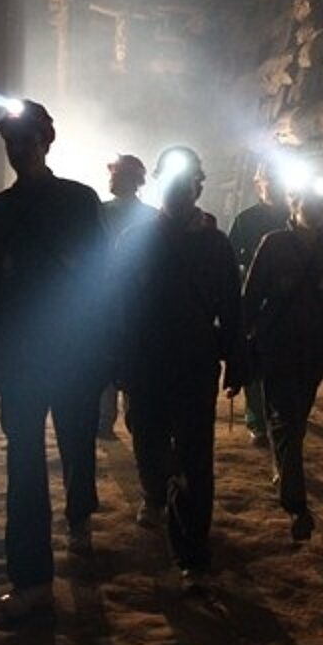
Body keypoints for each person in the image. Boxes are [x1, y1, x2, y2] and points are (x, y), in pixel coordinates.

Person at [0, 99, 109, 624]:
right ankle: (32, 581)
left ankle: (79, 516)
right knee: (25, 465)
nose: (19, 149)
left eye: (28, 140)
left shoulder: (79, 201)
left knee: (75, 444)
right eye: (12, 141)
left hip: (71, 353)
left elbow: (101, 279)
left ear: (46, 142)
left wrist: (103, 348)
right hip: (25, 359)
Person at [115, 146, 244, 589]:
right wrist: (118, 360)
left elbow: (231, 305)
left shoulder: (215, 245)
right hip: (147, 359)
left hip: (193, 360)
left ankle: (193, 557)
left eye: (184, 181)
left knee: (194, 457)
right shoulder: (135, 241)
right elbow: (119, 306)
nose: (176, 188)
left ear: (197, 187)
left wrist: (236, 359)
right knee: (146, 435)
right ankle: (156, 493)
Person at [241, 178, 323, 542]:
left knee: (295, 420)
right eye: (309, 202)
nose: (315, 208)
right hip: (278, 346)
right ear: (295, 204)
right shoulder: (273, 245)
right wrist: (241, 341)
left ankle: (281, 468)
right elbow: (251, 295)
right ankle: (296, 505)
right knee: (287, 418)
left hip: (313, 349)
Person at [226, 160, 290, 446]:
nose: (274, 186)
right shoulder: (246, 220)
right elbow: (230, 257)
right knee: (253, 360)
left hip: (287, 302)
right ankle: (258, 421)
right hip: (255, 298)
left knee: (284, 361)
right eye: (269, 180)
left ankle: (282, 413)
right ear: (258, 184)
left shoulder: (293, 218)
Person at [98, 153, 157, 439]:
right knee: (132, 358)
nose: (111, 179)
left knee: (108, 356)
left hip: (108, 297)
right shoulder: (151, 215)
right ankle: (135, 421)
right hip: (135, 300)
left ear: (131, 181)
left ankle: (105, 421)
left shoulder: (99, 212)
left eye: (115, 175)